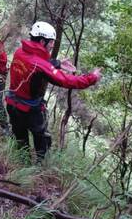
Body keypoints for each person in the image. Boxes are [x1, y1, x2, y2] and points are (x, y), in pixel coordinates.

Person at [6, 21, 101, 163]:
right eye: (51, 42)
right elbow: (66, 80)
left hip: (12, 105)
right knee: (42, 139)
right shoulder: (40, 64)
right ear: (43, 41)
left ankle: (22, 167)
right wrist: (92, 78)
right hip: (30, 111)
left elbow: (35, 63)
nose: (52, 45)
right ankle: (40, 167)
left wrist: (57, 63)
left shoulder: (20, 52)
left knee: (20, 140)